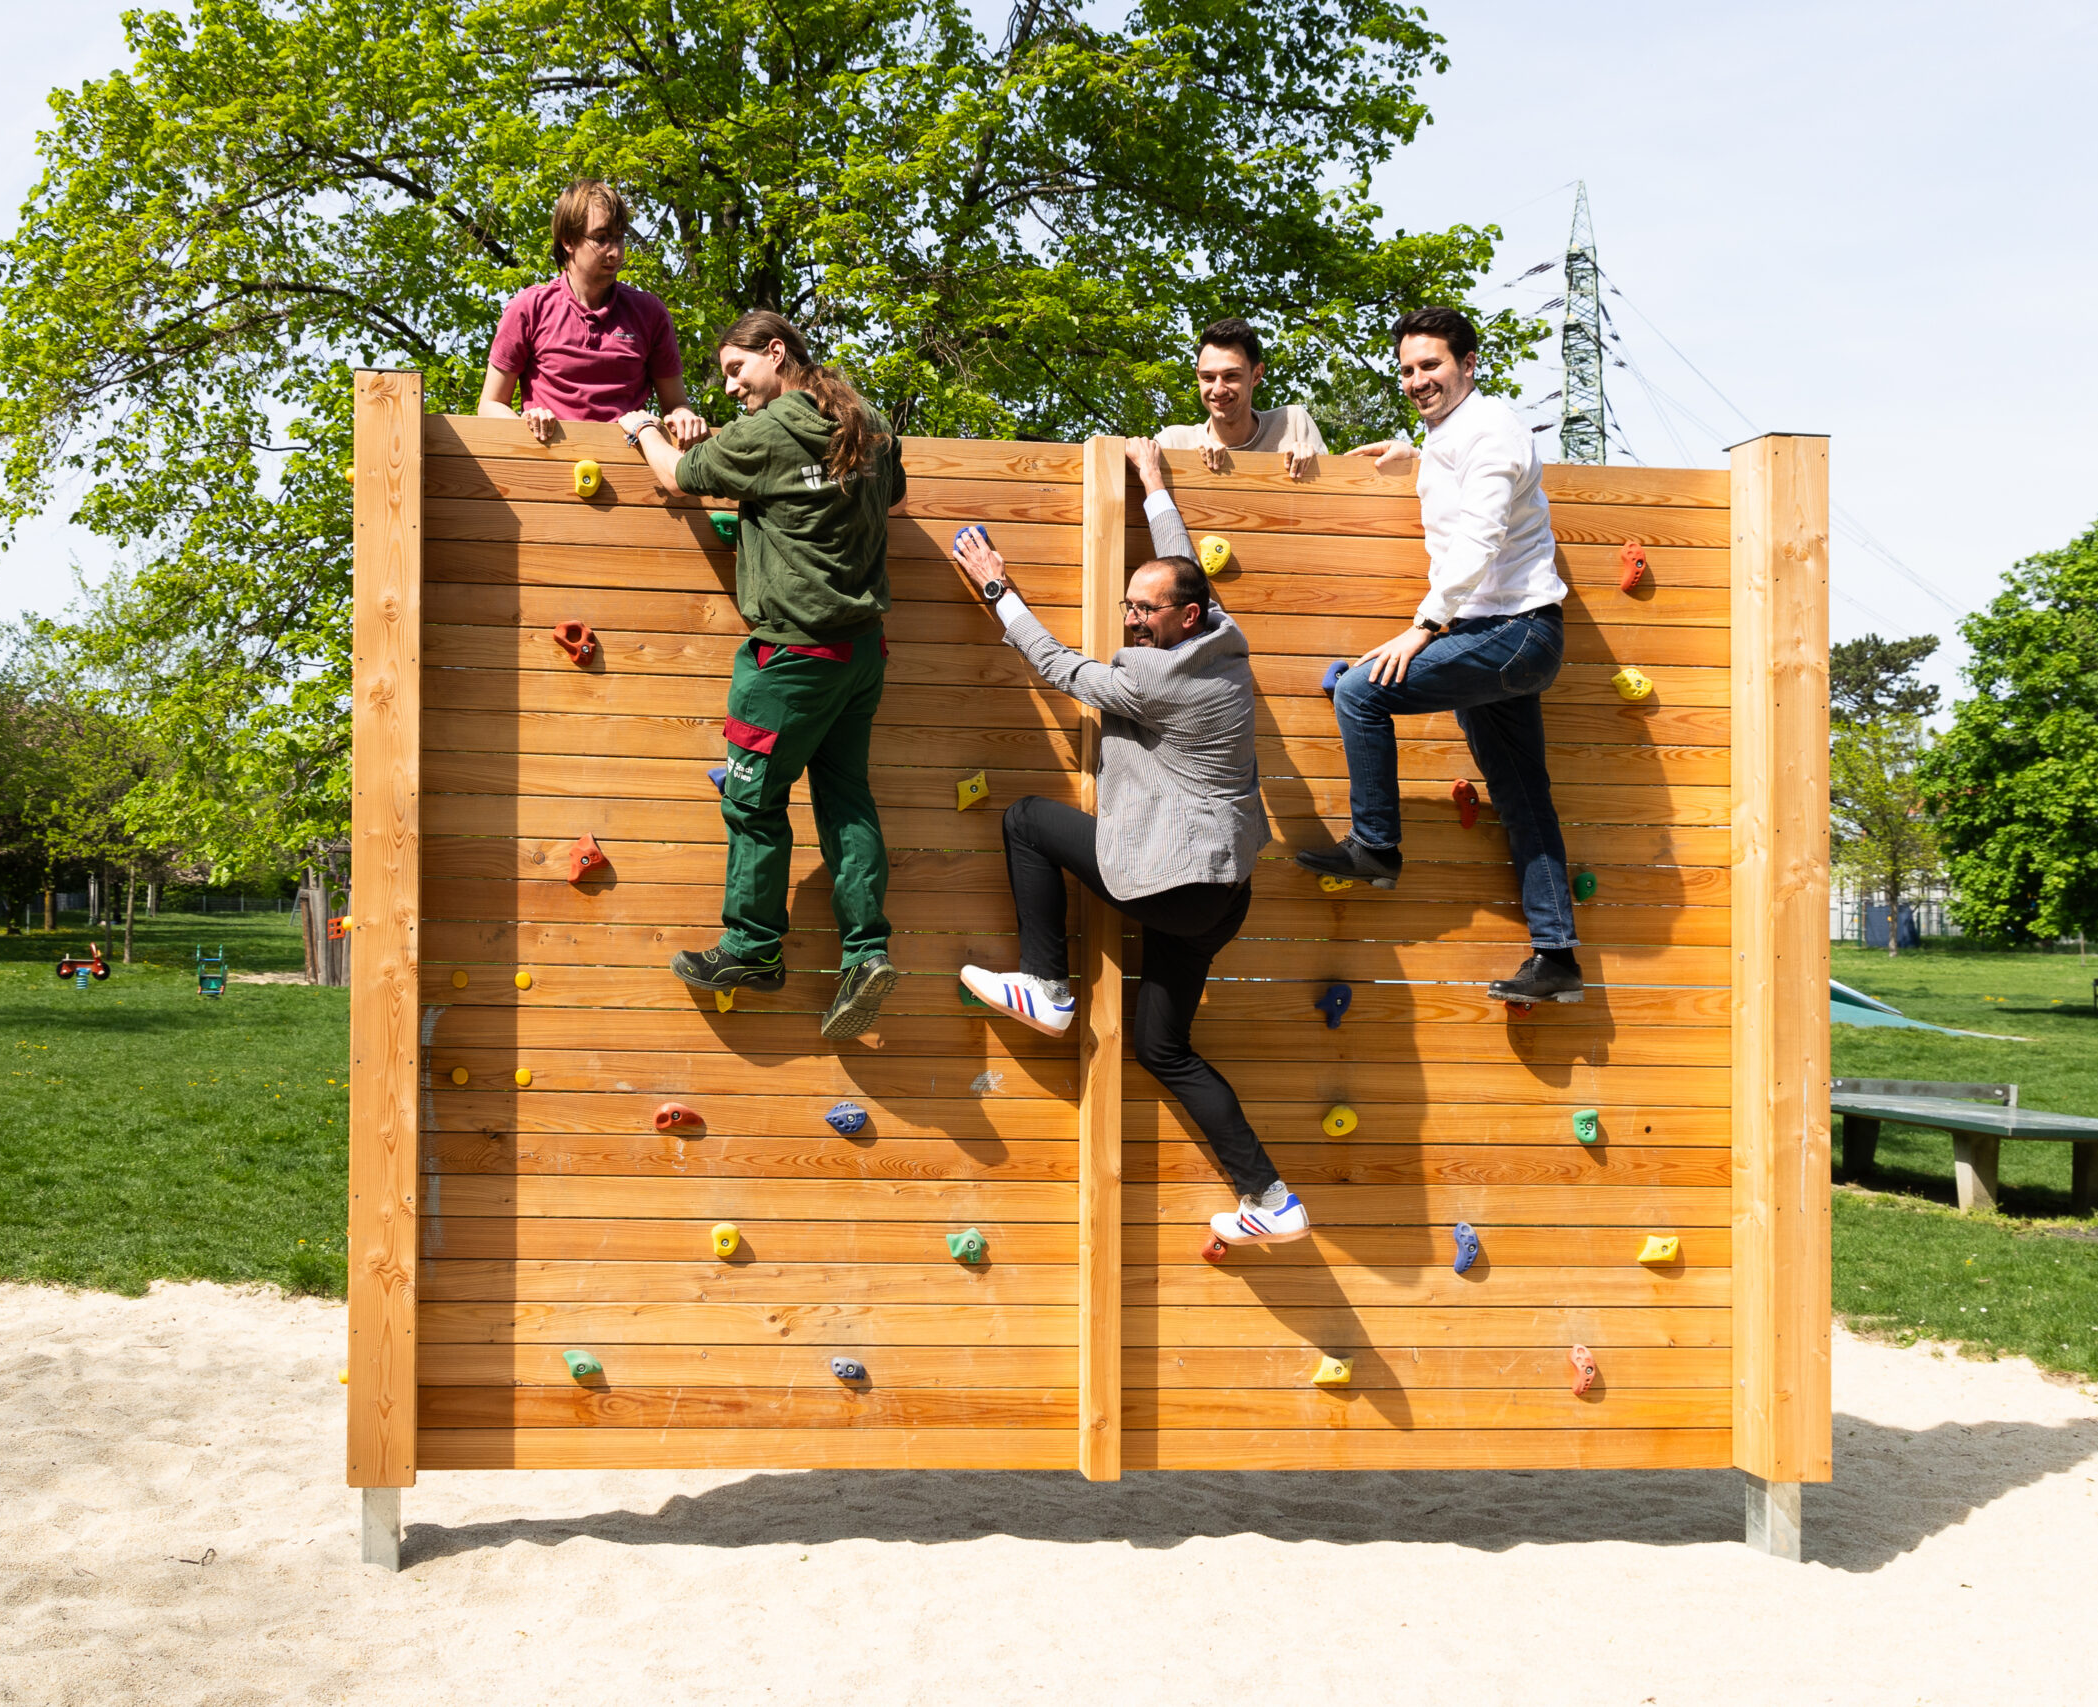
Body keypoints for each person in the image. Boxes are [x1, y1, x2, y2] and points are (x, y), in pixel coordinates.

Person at [948, 442, 1310, 1248]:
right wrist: (1153, 484)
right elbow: (1181, 562)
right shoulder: (1224, 636)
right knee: (1162, 1044)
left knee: (1026, 822)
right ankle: (1271, 1198)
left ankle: (1048, 985)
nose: (1130, 617)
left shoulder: (1154, 676)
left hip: (1177, 886)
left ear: (1186, 617)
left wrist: (998, 588)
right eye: (1128, 604)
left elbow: (1056, 664)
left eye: (1145, 610)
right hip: (1222, 895)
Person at [621, 311, 906, 1042]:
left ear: (775, 354)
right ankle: (865, 952)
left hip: (789, 659)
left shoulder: (771, 429)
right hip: (860, 653)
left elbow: (680, 476)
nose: (729, 384)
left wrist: (643, 426)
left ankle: (751, 947)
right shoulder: (864, 419)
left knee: (752, 801)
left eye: (735, 368)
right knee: (846, 798)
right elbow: (894, 493)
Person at [1296, 306, 1585, 1007]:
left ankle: (1377, 846)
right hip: (1507, 636)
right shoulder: (1460, 434)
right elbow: (1472, 487)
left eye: (1431, 366)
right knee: (1521, 796)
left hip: (1511, 632)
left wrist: (1423, 627)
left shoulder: (1492, 430)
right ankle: (1557, 957)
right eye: (1407, 369)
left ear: (1468, 364)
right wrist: (1416, 459)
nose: (1417, 380)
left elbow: (1481, 536)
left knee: (1362, 691)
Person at [480, 180, 709, 450]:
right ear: (568, 241)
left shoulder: (650, 313)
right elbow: (490, 405)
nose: (615, 252)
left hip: (631, 470)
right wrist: (526, 423)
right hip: (547, 469)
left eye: (619, 237)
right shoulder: (530, 307)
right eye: (600, 239)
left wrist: (683, 417)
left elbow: (676, 404)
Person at [1156, 318, 1327, 480]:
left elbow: (1335, 493)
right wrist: (1189, 462)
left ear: (1257, 375)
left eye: (1231, 376)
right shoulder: (1173, 441)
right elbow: (1133, 455)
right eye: (1208, 377)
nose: (1218, 389)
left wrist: (1313, 465)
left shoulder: (1293, 424)